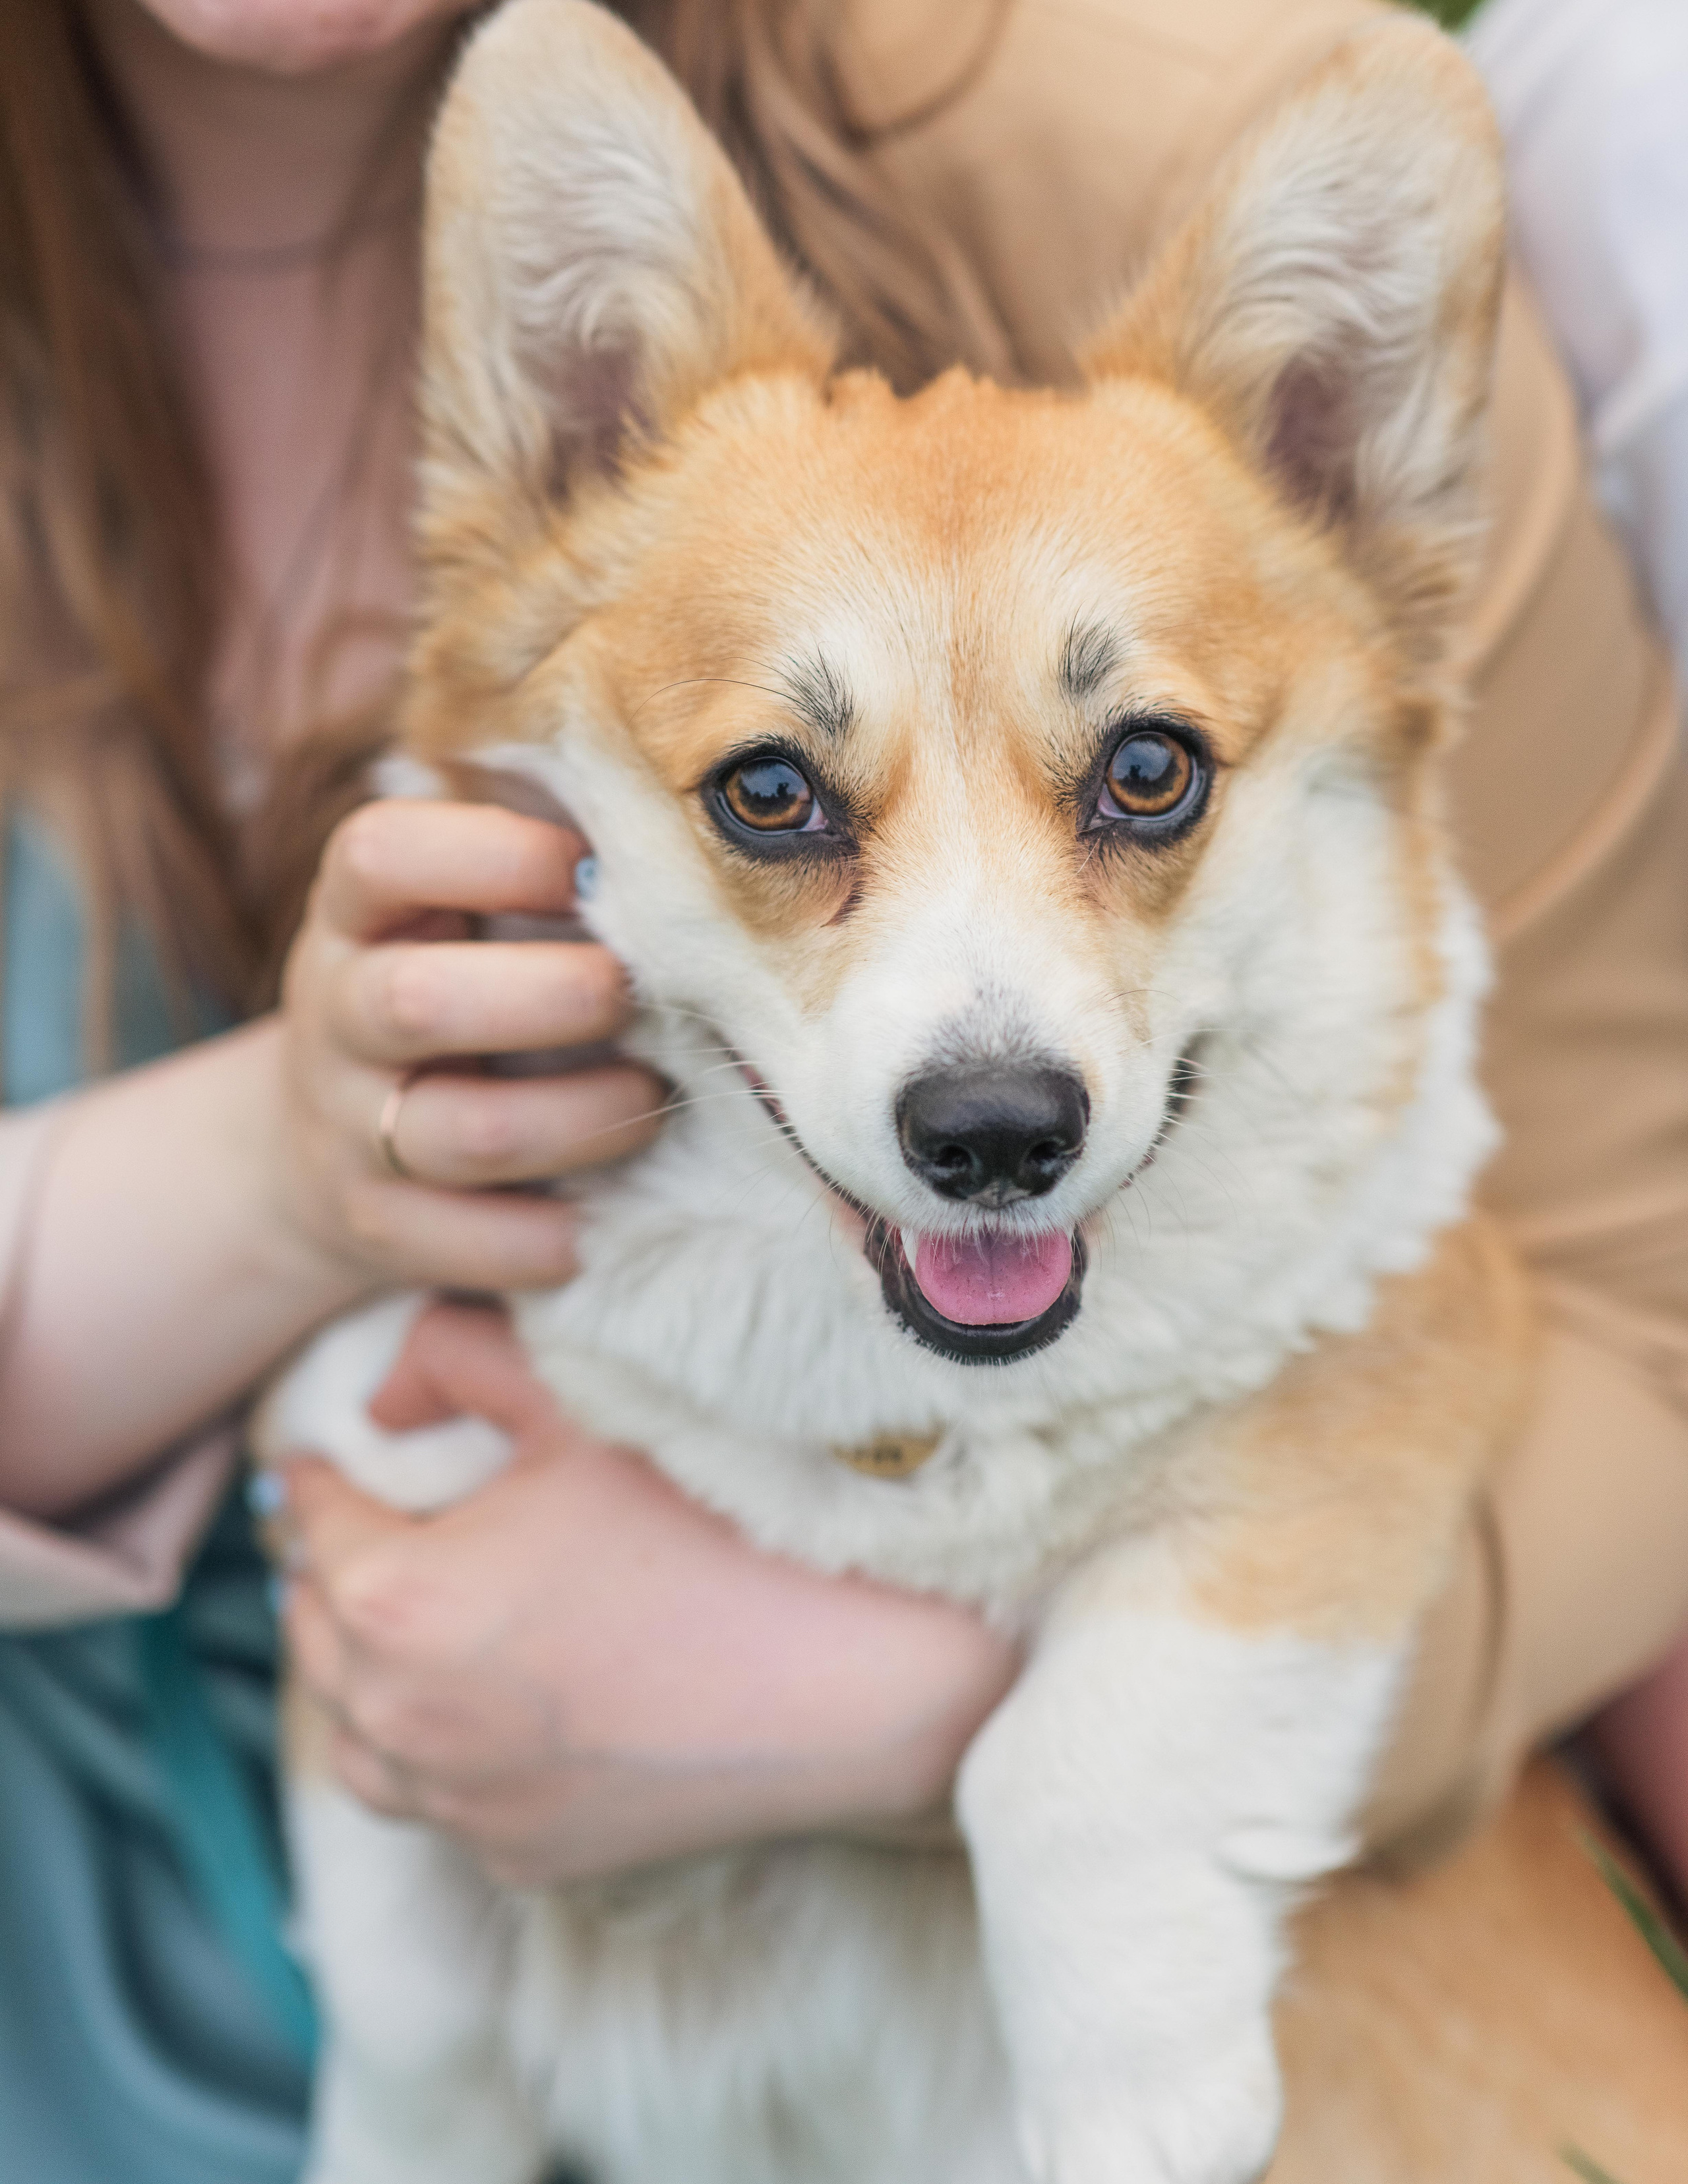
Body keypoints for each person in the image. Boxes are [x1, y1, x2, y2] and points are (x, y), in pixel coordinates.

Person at [0, 0, 1684, 2177]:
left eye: (1141, 776)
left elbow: (1627, 1310)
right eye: (783, 792)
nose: (990, 1074)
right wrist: (303, 1160)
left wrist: (906, 1707)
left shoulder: (1160, 132)